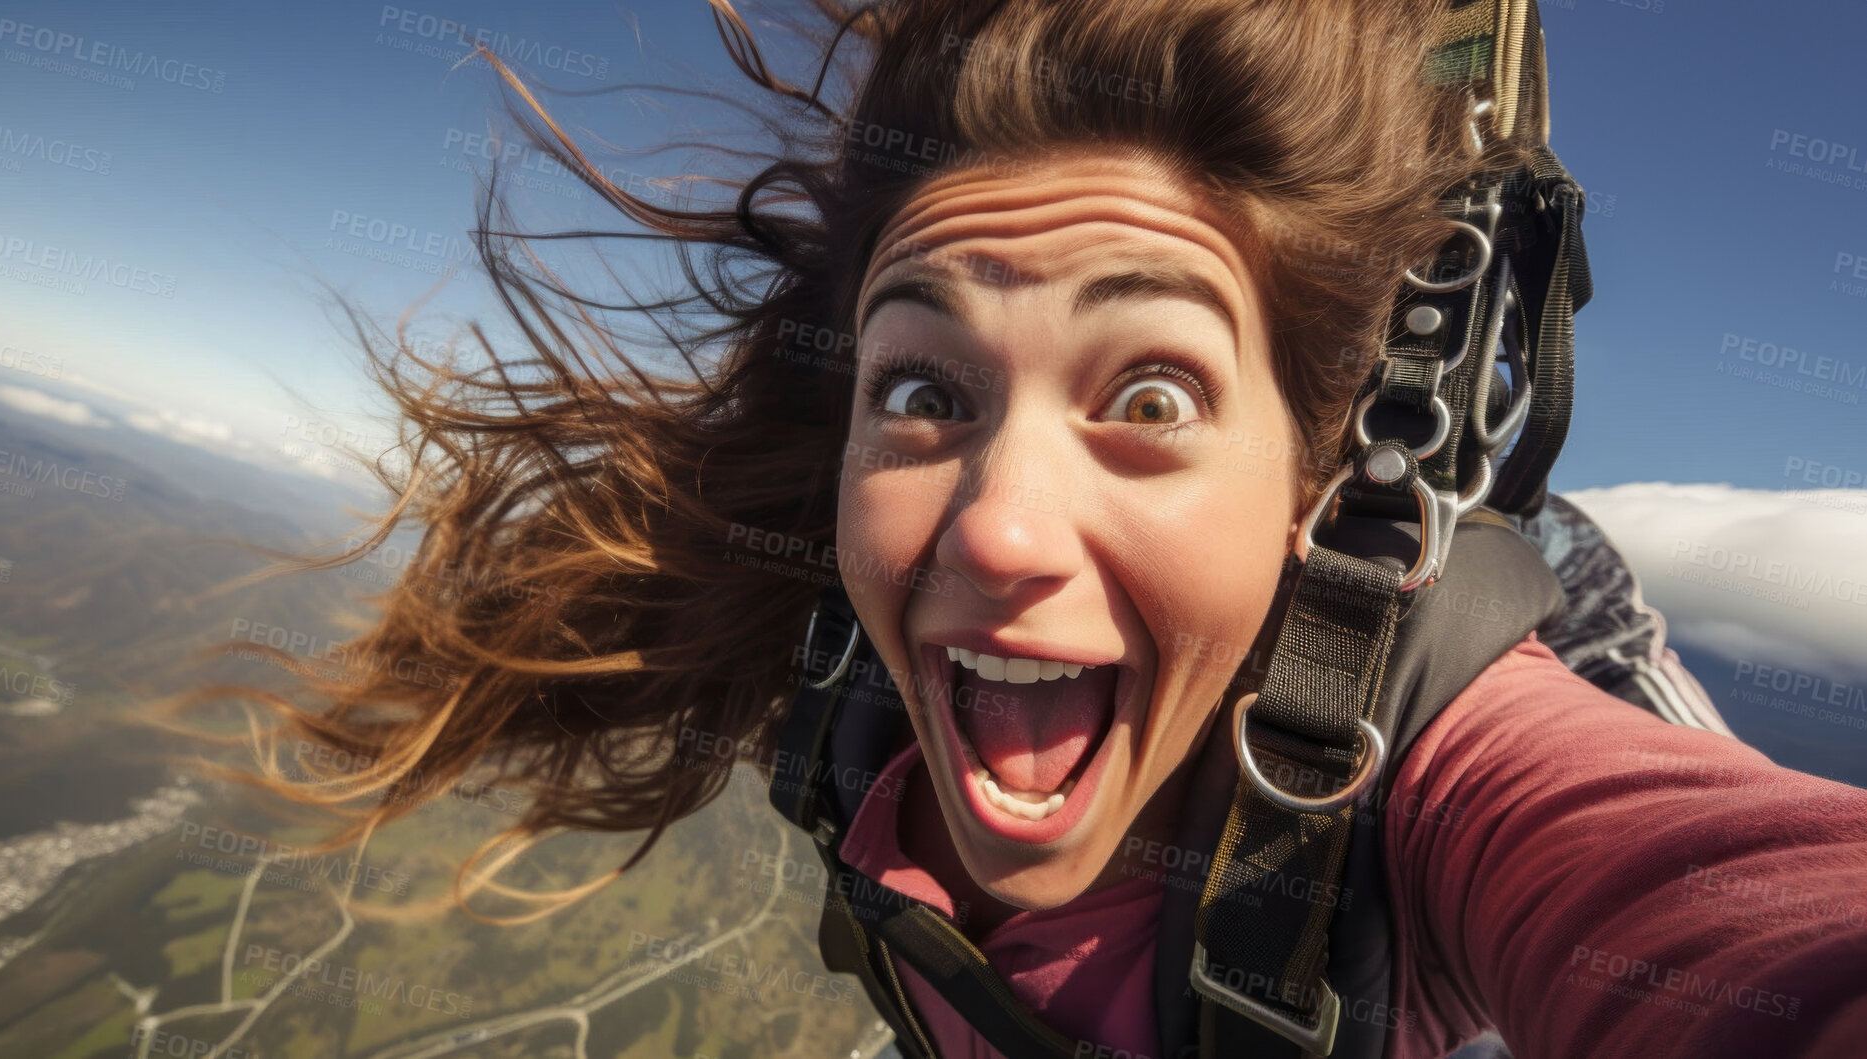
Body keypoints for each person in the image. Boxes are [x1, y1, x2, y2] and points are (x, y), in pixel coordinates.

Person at [245, 0, 1867, 1056]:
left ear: (1310, 490)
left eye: (1150, 398)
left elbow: (1748, 919)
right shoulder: (847, 667)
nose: (1002, 527)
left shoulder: (1449, 781)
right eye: (921, 392)